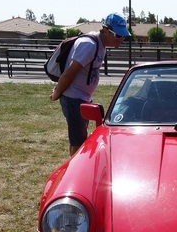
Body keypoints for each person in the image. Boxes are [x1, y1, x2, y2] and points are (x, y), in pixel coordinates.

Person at [49, 13, 130, 155]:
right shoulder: (89, 45)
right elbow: (69, 73)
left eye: (124, 36)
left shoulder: (101, 45)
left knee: (80, 138)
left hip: (82, 98)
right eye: (118, 35)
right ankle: (74, 171)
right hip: (73, 98)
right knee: (78, 141)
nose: (122, 39)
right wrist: (56, 93)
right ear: (105, 30)